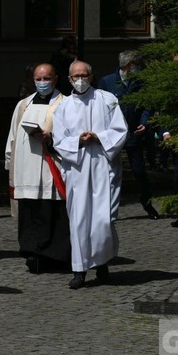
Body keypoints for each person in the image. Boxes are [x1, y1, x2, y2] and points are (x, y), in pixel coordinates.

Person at [53, 60, 128, 289]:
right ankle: (79, 270)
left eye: (84, 75)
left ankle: (102, 262)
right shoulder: (63, 106)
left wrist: (99, 137)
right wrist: (78, 140)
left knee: (103, 219)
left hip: (103, 166)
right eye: (76, 76)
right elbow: (58, 140)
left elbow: (120, 130)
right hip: (77, 168)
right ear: (69, 80)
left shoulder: (107, 100)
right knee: (79, 219)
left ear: (91, 76)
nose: (80, 80)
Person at [5, 63, 70, 274]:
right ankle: (32, 253)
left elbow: (72, 136)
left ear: (56, 78)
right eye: (38, 79)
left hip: (51, 169)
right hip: (26, 170)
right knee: (30, 214)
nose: (42, 83)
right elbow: (13, 138)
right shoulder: (23, 105)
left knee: (52, 213)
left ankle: (55, 256)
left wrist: (50, 139)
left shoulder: (65, 104)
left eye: (46, 79)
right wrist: (10, 164)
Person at [97, 50, 160, 220]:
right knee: (108, 172)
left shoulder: (141, 83)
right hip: (112, 134)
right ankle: (106, 209)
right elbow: (98, 108)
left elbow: (148, 105)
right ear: (127, 66)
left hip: (133, 133)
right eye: (136, 65)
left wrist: (144, 122)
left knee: (139, 171)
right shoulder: (108, 82)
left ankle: (147, 203)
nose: (139, 68)